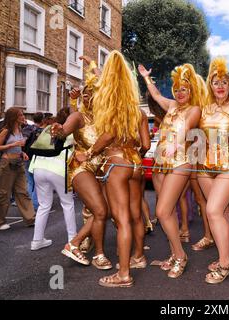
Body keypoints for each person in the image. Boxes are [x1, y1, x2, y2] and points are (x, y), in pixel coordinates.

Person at [77, 51, 150, 287]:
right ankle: (138, 257)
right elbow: (146, 144)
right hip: (135, 165)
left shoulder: (111, 107)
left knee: (122, 220)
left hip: (117, 164)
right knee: (137, 214)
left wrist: (89, 153)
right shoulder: (137, 110)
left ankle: (124, 274)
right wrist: (93, 66)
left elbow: (107, 135)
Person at [138, 62, 204, 279]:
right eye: (176, 89)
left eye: (184, 88)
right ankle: (174, 254)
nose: (179, 92)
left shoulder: (194, 109)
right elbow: (156, 96)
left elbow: (185, 129)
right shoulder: (172, 105)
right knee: (168, 212)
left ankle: (180, 255)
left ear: (191, 89)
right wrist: (146, 78)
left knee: (162, 211)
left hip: (180, 162)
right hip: (160, 163)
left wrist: (174, 146)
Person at [52, 56, 112, 270]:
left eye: (93, 94)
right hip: (81, 168)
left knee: (102, 212)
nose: (89, 98)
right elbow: (64, 130)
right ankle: (88, 249)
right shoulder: (79, 117)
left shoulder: (106, 120)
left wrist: (93, 66)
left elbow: (104, 82)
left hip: (102, 171)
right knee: (101, 211)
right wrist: (59, 131)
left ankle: (84, 245)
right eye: (85, 95)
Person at [196, 57, 229, 284]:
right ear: (211, 85)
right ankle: (224, 256)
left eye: (224, 82)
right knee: (222, 214)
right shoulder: (204, 110)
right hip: (204, 169)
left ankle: (225, 264)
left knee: (213, 210)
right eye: (216, 82)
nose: (220, 86)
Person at [30, 107, 76, 250]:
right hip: (58, 170)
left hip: (38, 168)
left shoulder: (49, 128)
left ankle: (37, 240)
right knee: (67, 204)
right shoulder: (72, 132)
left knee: (44, 205)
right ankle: (73, 240)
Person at [0, 107, 35, 230]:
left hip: (19, 162)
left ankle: (31, 218)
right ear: (14, 117)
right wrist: (13, 144)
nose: (23, 117)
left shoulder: (20, 130)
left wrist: (22, 153)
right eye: (20, 115)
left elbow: (19, 147)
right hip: (7, 163)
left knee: (23, 192)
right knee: (3, 193)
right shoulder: (6, 131)